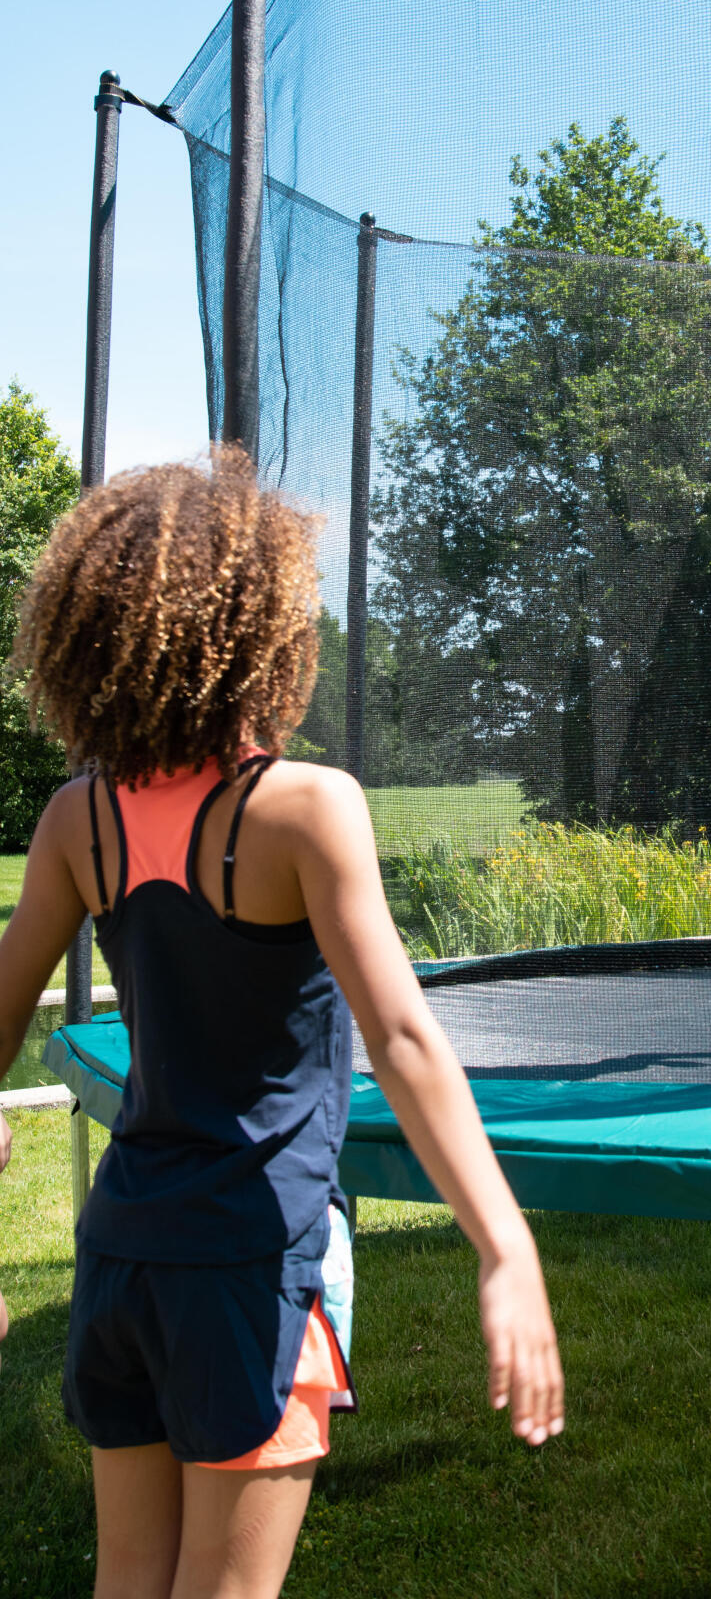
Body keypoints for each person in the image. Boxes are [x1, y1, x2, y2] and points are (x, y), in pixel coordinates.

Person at [0, 450, 563, 1599]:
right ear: (258, 630)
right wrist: (506, 1246)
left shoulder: (78, 822)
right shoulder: (305, 809)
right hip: (254, 1261)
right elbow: (402, 1041)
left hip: (121, 1260)